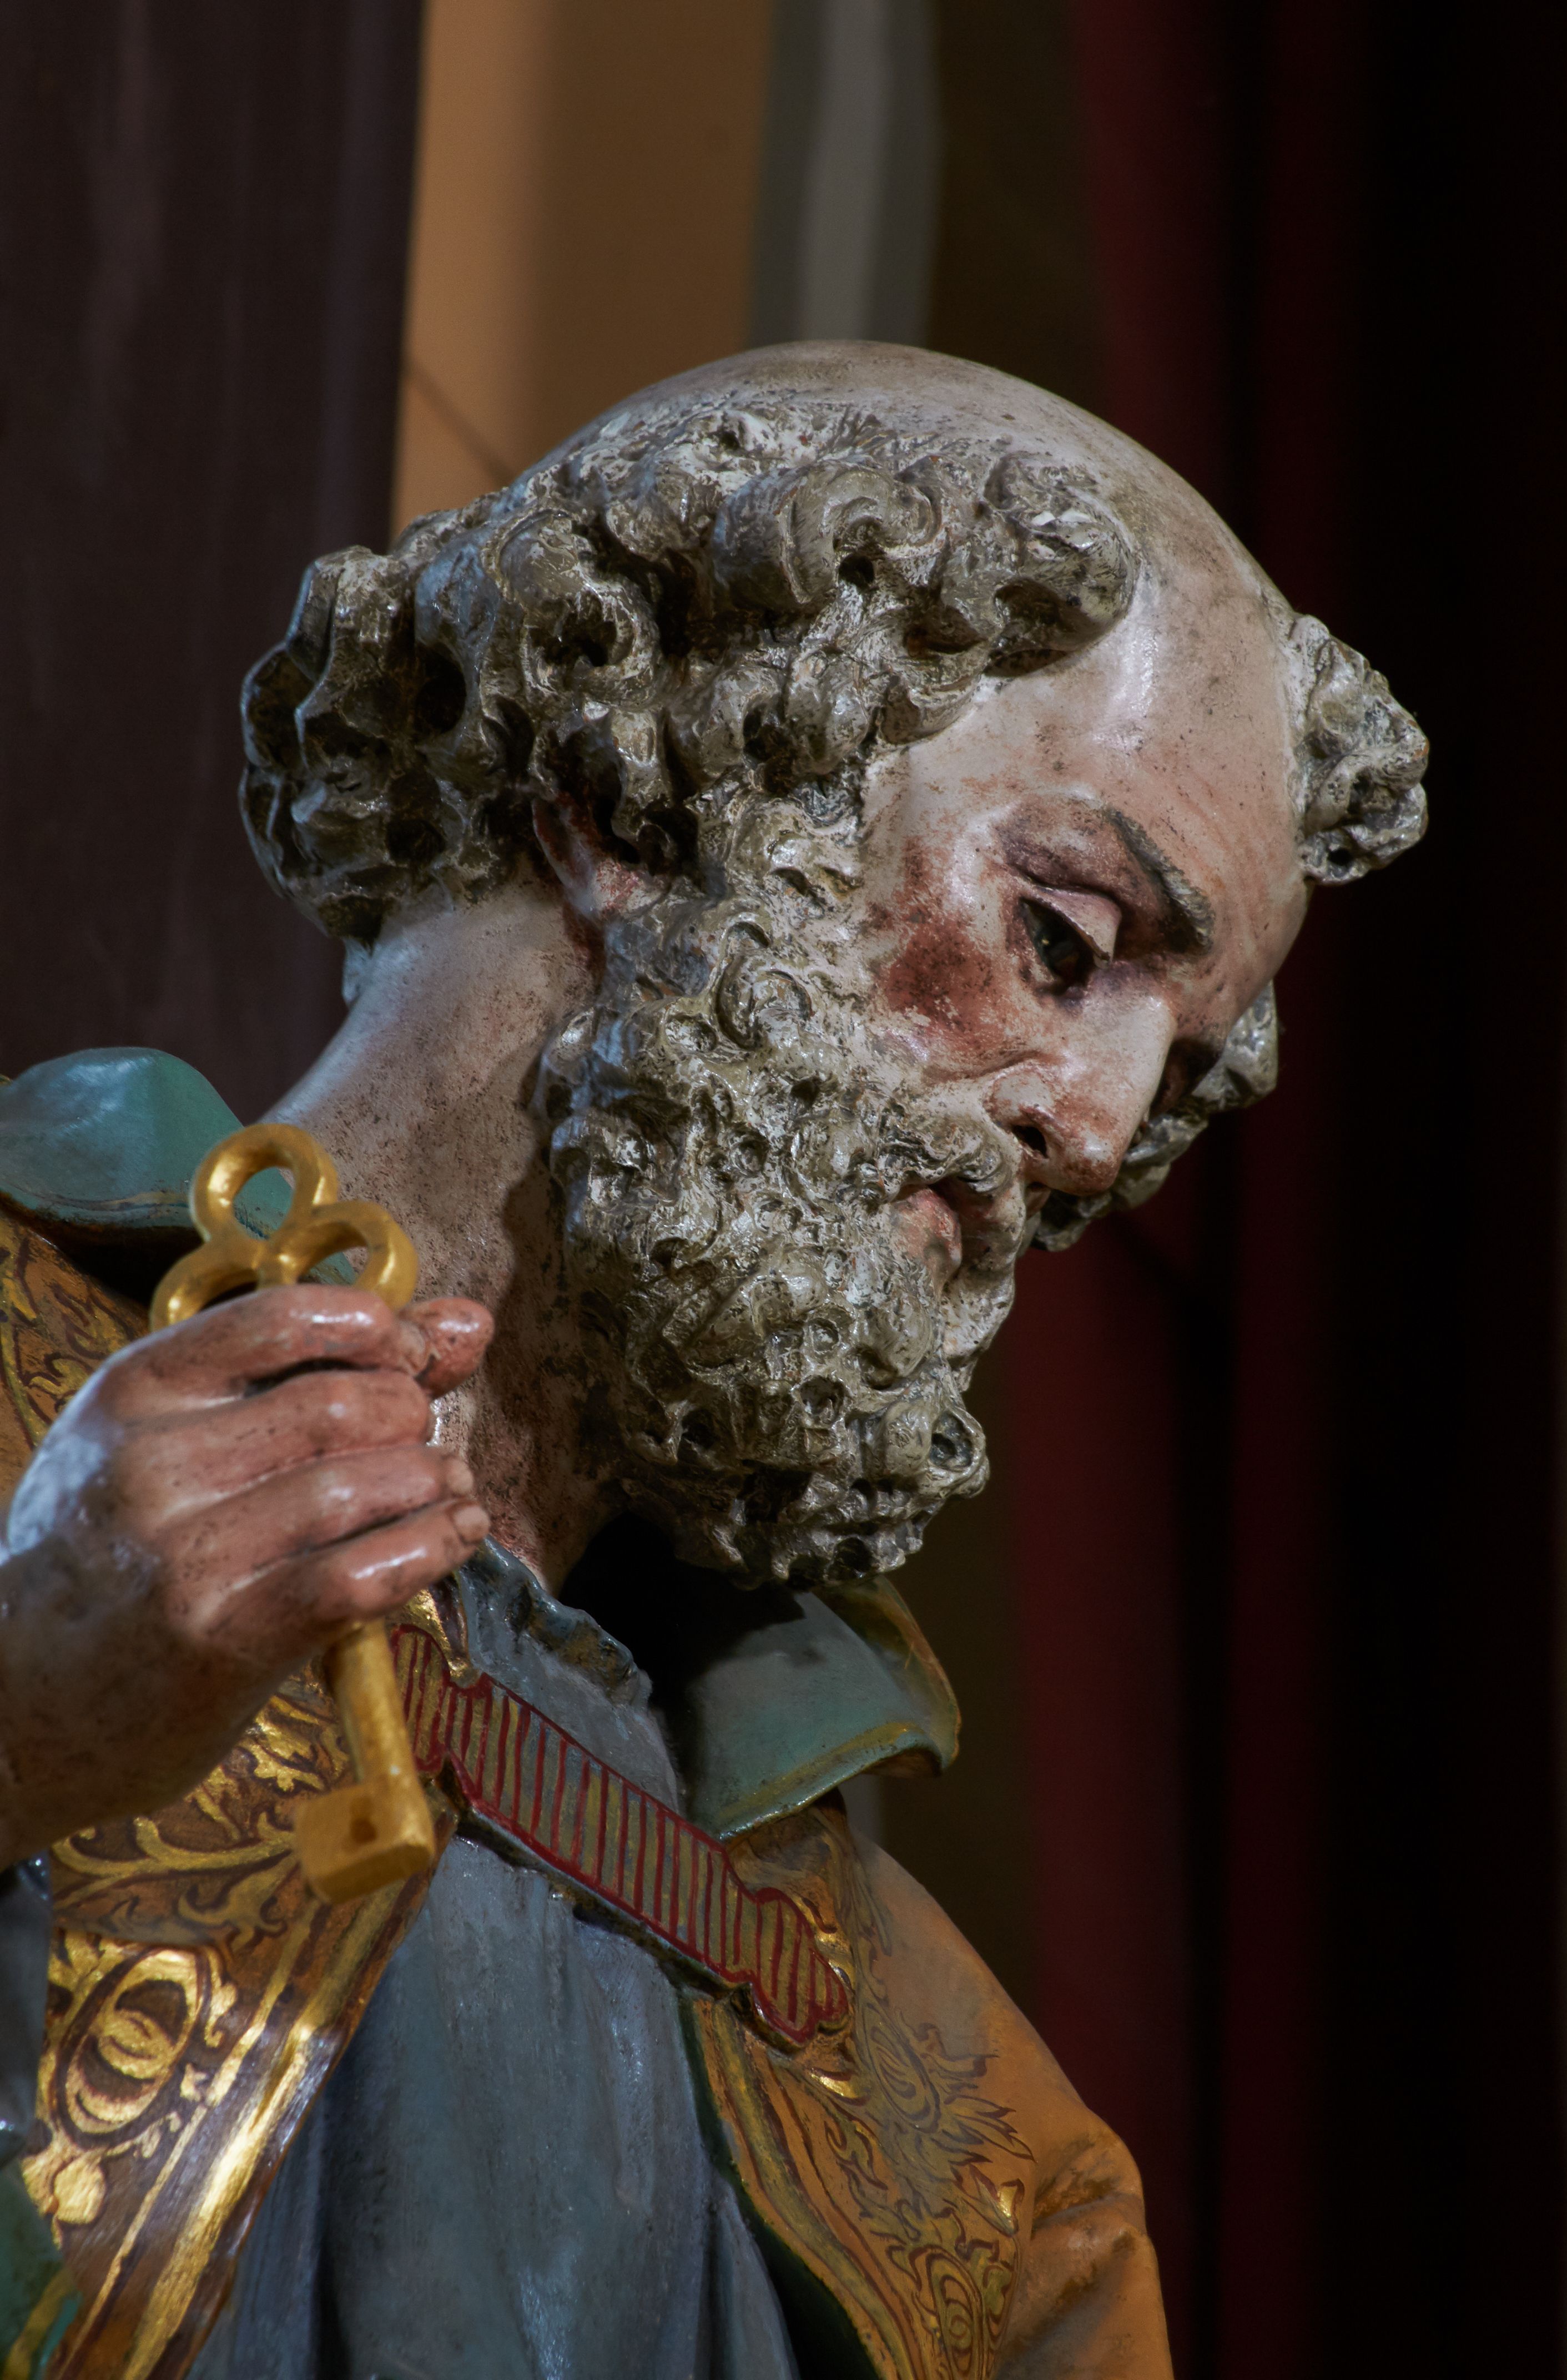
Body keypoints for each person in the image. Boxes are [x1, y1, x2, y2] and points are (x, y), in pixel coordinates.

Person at [0, 343, 1425, 2379]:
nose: (1098, 1136)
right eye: (1062, 940)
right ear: (632, 794)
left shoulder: (986, 2178)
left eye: (1174, 1074)